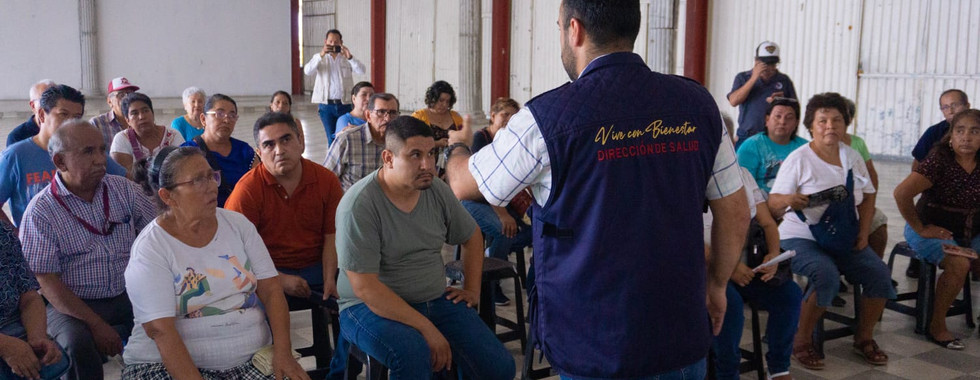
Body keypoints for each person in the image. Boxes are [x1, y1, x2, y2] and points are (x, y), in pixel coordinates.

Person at [445, 0, 749, 377]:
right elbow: (736, 211)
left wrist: (457, 146)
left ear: (574, 30)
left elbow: (463, 183)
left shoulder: (545, 119)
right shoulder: (697, 105)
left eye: (559, 27)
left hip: (594, 339)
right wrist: (716, 285)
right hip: (679, 332)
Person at [334, 116, 514, 378]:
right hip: (366, 306)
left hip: (433, 298)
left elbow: (472, 236)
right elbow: (366, 288)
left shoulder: (435, 189)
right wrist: (427, 328)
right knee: (413, 353)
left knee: (499, 367)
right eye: (415, 155)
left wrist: (471, 290)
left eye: (431, 153)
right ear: (388, 158)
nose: (428, 165)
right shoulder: (360, 205)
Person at [122, 147, 309, 380]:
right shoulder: (151, 248)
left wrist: (283, 354)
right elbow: (161, 331)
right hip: (164, 365)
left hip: (250, 358)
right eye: (197, 180)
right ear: (168, 196)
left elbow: (271, 290)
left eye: (211, 176)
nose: (211, 186)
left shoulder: (238, 225)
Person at [19, 120, 156, 380]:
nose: (100, 160)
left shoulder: (124, 190)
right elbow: (47, 282)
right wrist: (96, 324)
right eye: (88, 152)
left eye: (102, 149)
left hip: (127, 292)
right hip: (72, 303)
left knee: (167, 321)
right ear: (60, 162)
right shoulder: (41, 212)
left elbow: (159, 231)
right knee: (77, 343)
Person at [768, 93, 896, 369]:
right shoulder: (799, 159)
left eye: (837, 120)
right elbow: (774, 202)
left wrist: (863, 233)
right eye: (823, 121)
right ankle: (800, 341)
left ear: (846, 124)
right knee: (825, 274)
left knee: (879, 275)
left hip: (842, 235)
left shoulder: (851, 156)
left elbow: (869, 195)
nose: (830, 126)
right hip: (800, 237)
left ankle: (864, 338)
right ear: (810, 126)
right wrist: (790, 199)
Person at [225, 112, 349, 380]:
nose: (279, 150)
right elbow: (235, 256)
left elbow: (331, 236)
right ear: (259, 152)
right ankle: (273, 369)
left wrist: (330, 279)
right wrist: (279, 280)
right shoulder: (247, 190)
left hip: (317, 266)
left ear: (300, 142)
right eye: (269, 144)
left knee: (356, 301)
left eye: (286, 139)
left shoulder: (325, 180)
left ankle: (339, 373)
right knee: (250, 313)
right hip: (266, 272)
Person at [711, 121, 801, 380]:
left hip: (748, 266)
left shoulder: (743, 175)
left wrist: (772, 255)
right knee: (731, 306)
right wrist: (729, 267)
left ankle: (779, 367)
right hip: (711, 269)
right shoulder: (691, 179)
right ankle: (726, 373)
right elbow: (690, 241)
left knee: (790, 295)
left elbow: (768, 223)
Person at [894, 109, 980, 351]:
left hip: (971, 230)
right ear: (951, 136)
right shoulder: (939, 161)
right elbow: (901, 194)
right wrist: (920, 228)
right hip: (930, 227)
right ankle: (936, 324)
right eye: (960, 131)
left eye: (975, 131)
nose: (966, 137)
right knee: (958, 263)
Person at [0, 85, 126, 228]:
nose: (70, 123)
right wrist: (15, 235)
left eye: (76, 117)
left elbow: (126, 181)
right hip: (38, 238)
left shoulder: (90, 150)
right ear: (42, 115)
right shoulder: (15, 156)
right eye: (63, 114)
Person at [459, 97, 530, 306]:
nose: (508, 120)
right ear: (492, 116)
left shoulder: (511, 139)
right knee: (504, 230)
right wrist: (503, 214)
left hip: (500, 199)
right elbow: (486, 181)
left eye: (513, 116)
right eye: (504, 115)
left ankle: (490, 255)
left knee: (533, 230)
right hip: (473, 199)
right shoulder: (480, 139)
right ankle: (491, 283)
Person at [906, 90, 971, 278]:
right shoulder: (935, 134)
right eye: (945, 107)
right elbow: (917, 164)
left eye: (955, 105)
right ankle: (919, 258)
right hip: (936, 206)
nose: (950, 110)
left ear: (967, 105)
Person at [0, 222, 70, 380]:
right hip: (7, 340)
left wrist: (37, 337)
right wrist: (6, 346)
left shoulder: (3, 233)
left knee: (45, 362)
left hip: (16, 327)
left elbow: (29, 297)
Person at [181, 94, 257, 207]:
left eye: (232, 115)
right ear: (203, 119)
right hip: (202, 214)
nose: (226, 120)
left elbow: (258, 186)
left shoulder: (245, 151)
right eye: (219, 114)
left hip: (239, 213)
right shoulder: (188, 152)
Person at [728, 41, 798, 149]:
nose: (769, 68)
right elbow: (733, 101)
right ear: (756, 61)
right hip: (747, 135)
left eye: (772, 64)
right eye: (765, 64)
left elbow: (794, 109)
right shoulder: (743, 77)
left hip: (773, 137)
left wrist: (779, 102)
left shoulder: (784, 80)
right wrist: (754, 78)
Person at [841, 97, 888, 258]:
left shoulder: (858, 143)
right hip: (835, 205)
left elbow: (871, 175)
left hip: (859, 201)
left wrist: (869, 203)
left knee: (878, 222)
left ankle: (873, 263)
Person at [323, 93, 398, 191]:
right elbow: (325, 179)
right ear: (368, 116)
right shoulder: (347, 140)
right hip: (353, 199)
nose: (387, 118)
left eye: (392, 113)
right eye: (381, 112)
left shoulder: (400, 142)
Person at [735, 97, 807, 199]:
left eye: (789, 117)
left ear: (796, 123)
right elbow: (744, 187)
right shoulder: (751, 146)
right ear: (767, 120)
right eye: (778, 116)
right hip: (759, 203)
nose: (782, 122)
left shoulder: (805, 148)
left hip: (795, 202)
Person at [304, 29, 366, 145]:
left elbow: (362, 70)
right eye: (330, 41)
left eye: (336, 42)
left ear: (341, 43)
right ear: (325, 42)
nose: (333, 44)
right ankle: (332, 157)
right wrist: (321, 55)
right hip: (326, 106)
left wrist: (350, 57)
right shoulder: (319, 58)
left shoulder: (346, 59)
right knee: (331, 138)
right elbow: (307, 71)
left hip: (344, 104)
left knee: (346, 135)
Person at [110, 92, 184, 178]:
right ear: (127, 120)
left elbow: (183, 169)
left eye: (145, 111)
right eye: (134, 113)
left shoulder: (173, 136)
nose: (142, 117)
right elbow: (125, 179)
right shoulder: (122, 139)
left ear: (153, 114)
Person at [410, 81, 464, 149]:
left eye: (447, 101)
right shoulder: (419, 116)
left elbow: (464, 137)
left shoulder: (456, 116)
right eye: (441, 100)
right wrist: (436, 143)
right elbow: (411, 142)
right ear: (432, 99)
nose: (444, 105)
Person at [89, 77, 140, 149]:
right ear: (109, 101)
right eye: (121, 95)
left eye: (130, 94)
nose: (127, 99)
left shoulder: (140, 120)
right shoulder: (97, 124)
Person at [6, 79, 55, 147]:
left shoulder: (65, 130)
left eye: (55, 99)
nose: (53, 104)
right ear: (33, 106)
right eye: (45, 100)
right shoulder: (18, 137)